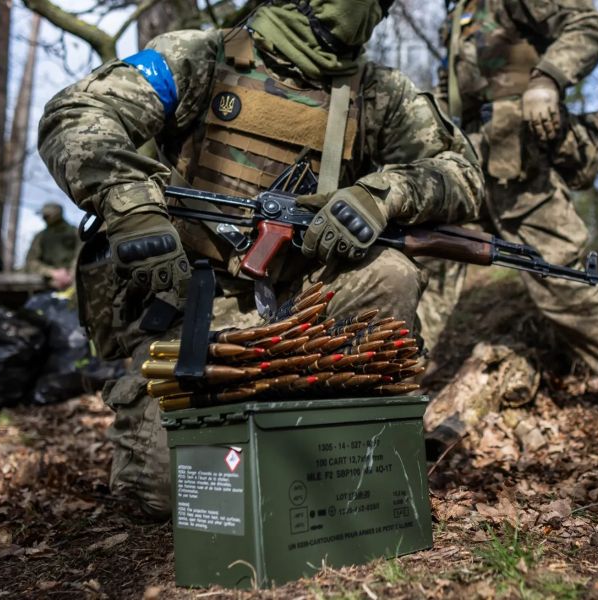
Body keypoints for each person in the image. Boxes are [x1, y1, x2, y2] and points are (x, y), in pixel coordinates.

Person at [38, 0, 485, 517]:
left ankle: (348, 451)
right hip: (189, 308)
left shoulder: (379, 93)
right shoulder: (200, 56)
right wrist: (129, 200)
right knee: (167, 498)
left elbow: (461, 173)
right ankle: (268, 446)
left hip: (303, 314)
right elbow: (75, 114)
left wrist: (384, 194)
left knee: (390, 273)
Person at [423, 0, 598, 430]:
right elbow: (455, 92)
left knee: (566, 285)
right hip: (470, 164)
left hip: (520, 168)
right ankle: (388, 395)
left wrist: (547, 80)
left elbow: (589, 25)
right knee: (427, 265)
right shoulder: (458, 10)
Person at [25, 202, 79, 290]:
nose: (43, 219)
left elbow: (81, 255)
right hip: (49, 284)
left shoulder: (75, 233)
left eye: (46, 216)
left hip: (75, 281)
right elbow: (30, 262)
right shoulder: (40, 237)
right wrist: (52, 273)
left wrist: (71, 275)